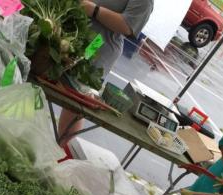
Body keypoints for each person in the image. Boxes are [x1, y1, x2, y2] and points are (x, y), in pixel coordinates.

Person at [57, 0, 154, 145]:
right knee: (48, 79)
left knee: (74, 101)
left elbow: (127, 26)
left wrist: (94, 10)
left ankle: (59, 146)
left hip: (96, 44)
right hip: (72, 33)